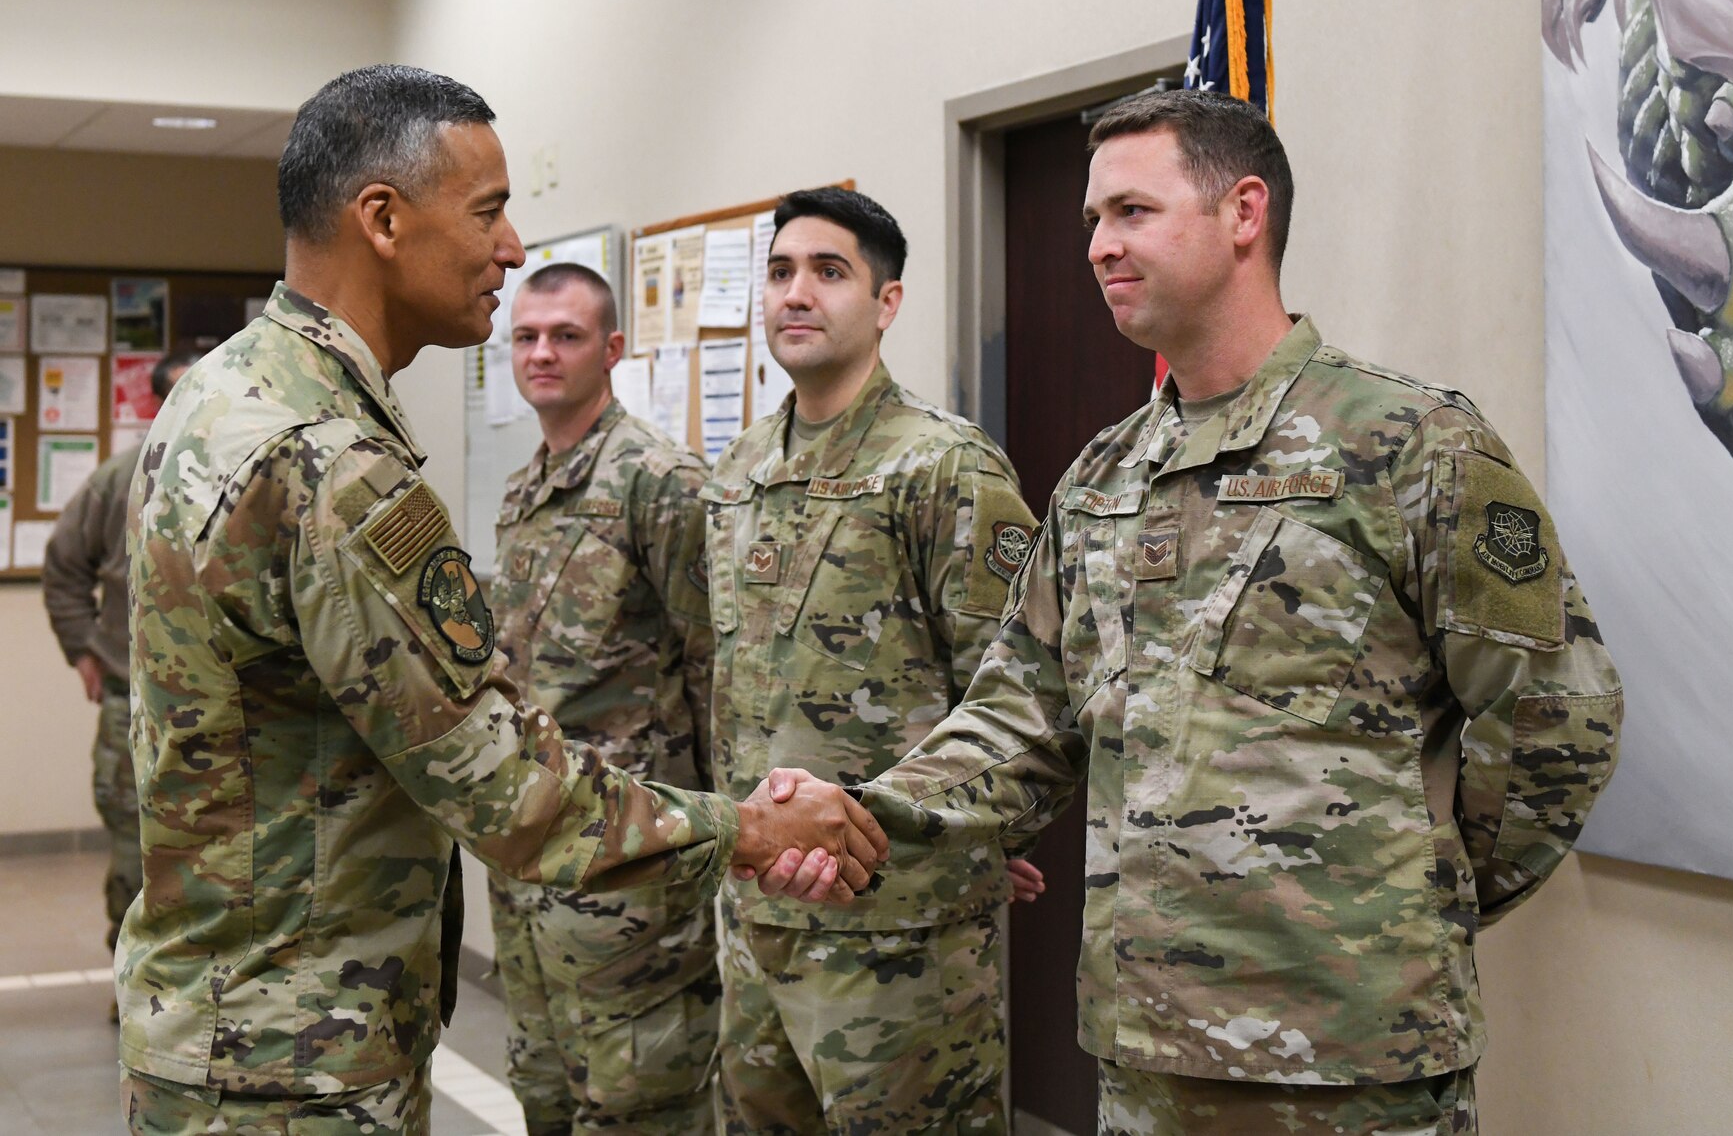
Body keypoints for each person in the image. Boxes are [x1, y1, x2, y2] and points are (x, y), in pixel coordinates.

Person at [769, 92, 1624, 1135]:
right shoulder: (1103, 476)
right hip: (1146, 1055)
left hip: (1352, 1062)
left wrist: (1409, 900)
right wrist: (864, 815)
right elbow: (1018, 719)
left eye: (1129, 211)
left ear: (1242, 212)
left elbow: (1555, 714)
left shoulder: (1408, 444)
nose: (1096, 245)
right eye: (1091, 219)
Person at [116, 64, 885, 1136]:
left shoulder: (220, 395)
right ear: (382, 218)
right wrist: (747, 830)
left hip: (219, 1018)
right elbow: (501, 783)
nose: (514, 248)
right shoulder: (334, 462)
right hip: (295, 1056)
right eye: (487, 212)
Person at [701, 186, 1043, 1134]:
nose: (795, 293)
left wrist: (980, 833)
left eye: (828, 271)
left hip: (898, 936)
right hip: (757, 919)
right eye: (780, 272)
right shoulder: (736, 474)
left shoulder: (943, 468)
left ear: (886, 303)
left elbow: (1020, 694)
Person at [489, 261, 720, 1134]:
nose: (542, 353)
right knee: (544, 1088)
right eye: (526, 336)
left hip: (632, 862)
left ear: (613, 348)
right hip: (533, 852)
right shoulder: (525, 490)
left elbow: (713, 664)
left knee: (638, 1105)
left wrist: (717, 839)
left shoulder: (659, 481)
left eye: (567, 335)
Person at [42, 350, 194, 957]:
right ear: (156, 405)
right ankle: (129, 980)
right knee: (135, 849)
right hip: (130, 694)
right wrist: (83, 649)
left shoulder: (249, 473)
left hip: (220, 700)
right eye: (180, 394)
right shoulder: (119, 479)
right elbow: (64, 567)